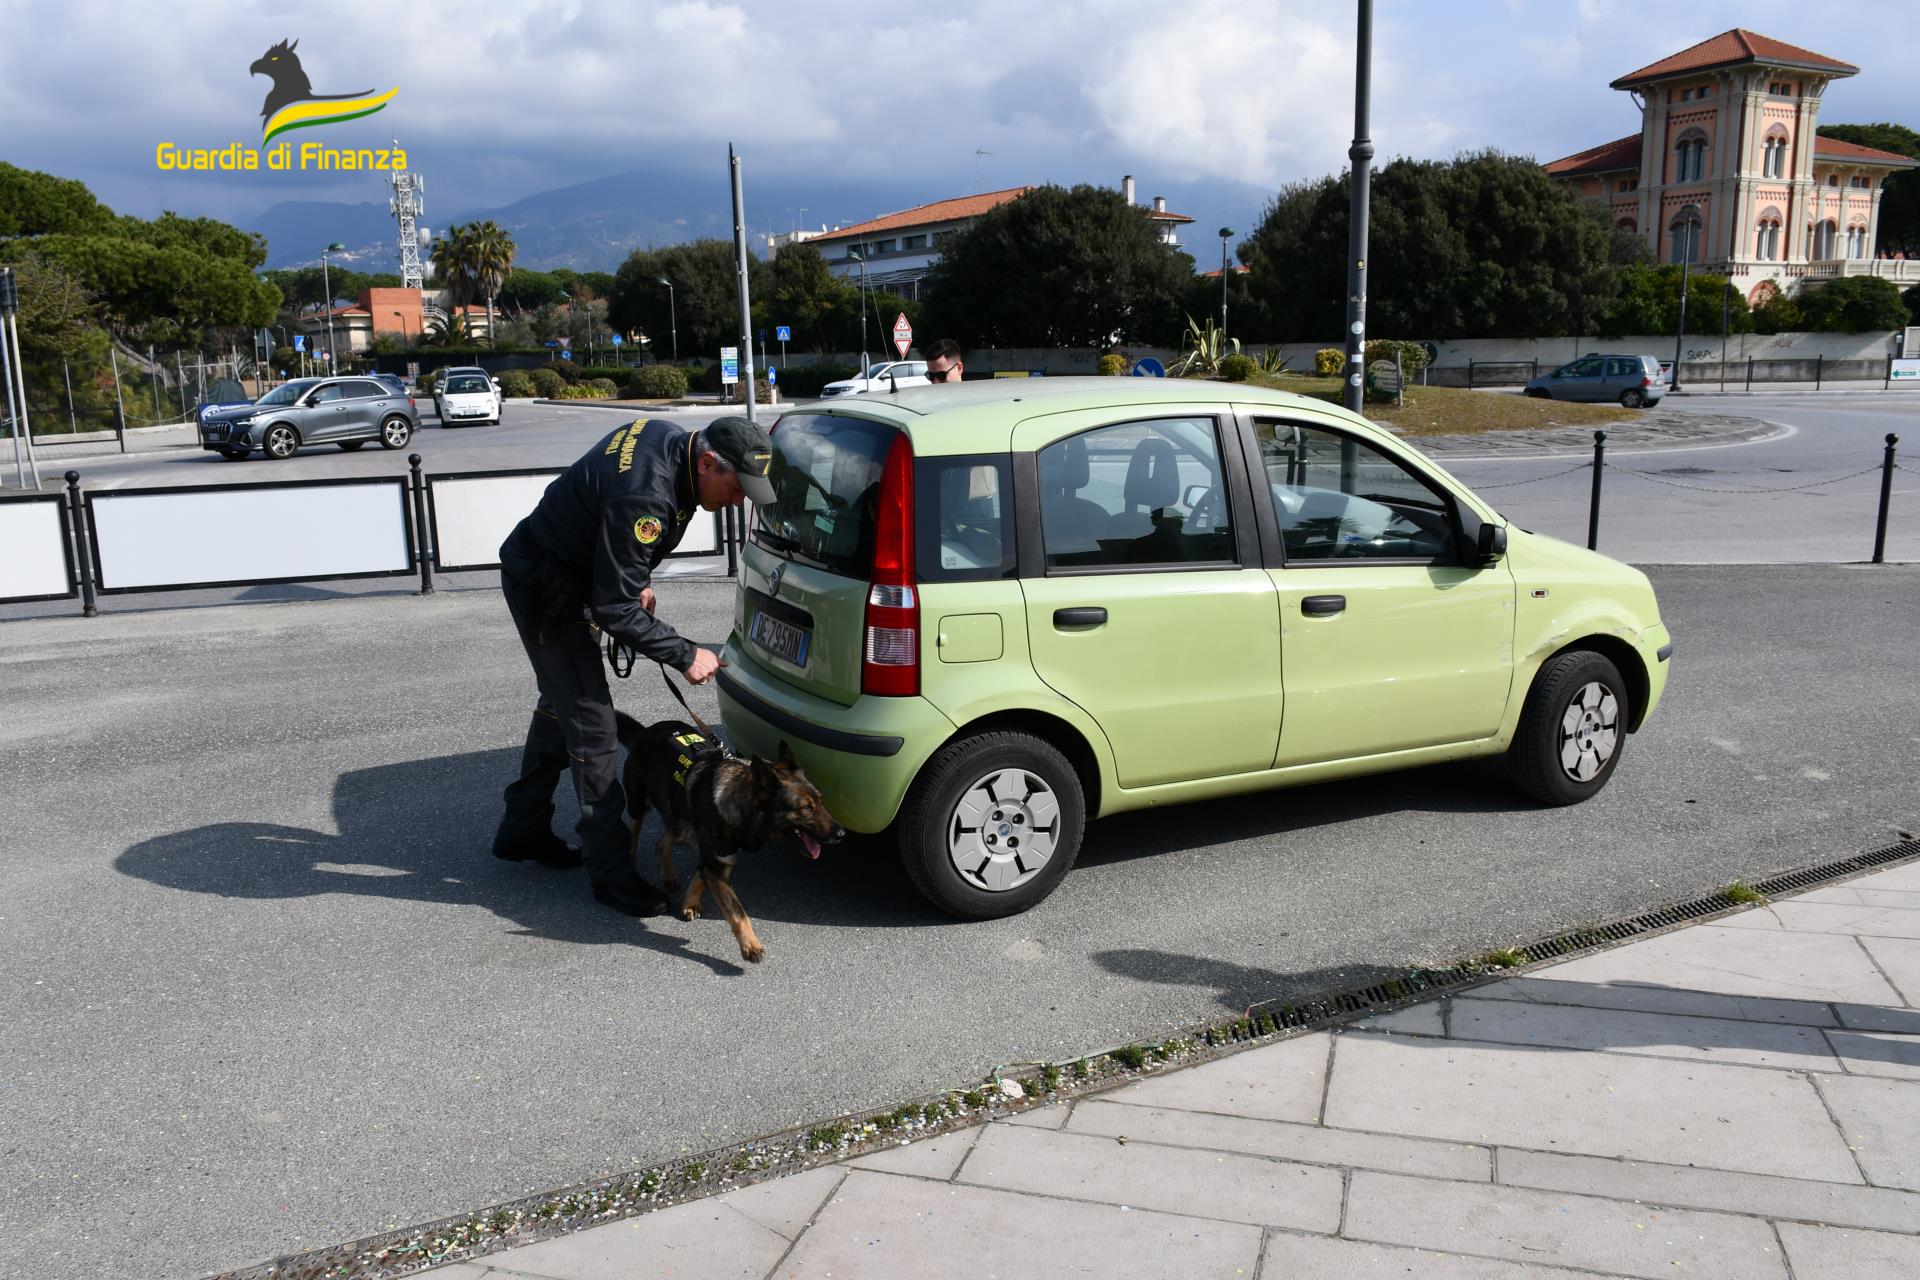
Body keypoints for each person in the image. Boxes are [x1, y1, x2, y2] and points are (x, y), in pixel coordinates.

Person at [492, 414, 775, 917]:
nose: (738, 501)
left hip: (566, 572)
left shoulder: (669, 441)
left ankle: (523, 828)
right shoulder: (647, 496)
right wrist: (685, 654)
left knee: (560, 703)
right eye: (736, 488)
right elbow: (614, 609)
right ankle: (609, 872)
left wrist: (631, 574)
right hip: (546, 588)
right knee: (593, 728)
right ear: (708, 462)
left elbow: (611, 528)